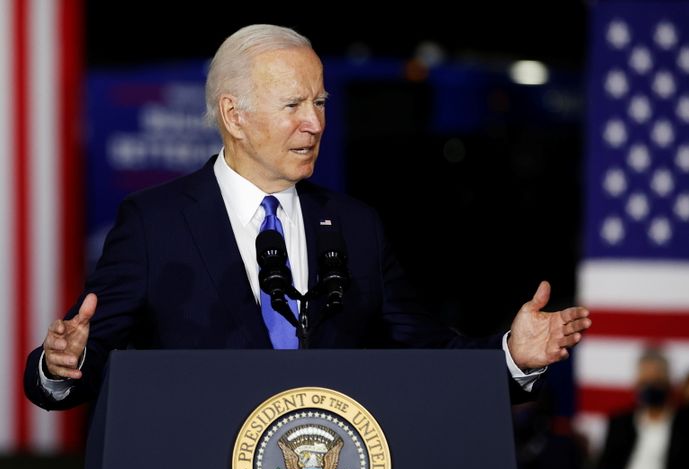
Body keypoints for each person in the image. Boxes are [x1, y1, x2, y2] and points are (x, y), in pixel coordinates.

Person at [23, 24, 591, 411]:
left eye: (319, 103)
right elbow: (77, 365)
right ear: (234, 115)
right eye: (293, 105)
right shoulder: (155, 224)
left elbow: (427, 355)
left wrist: (510, 358)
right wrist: (59, 364)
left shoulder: (354, 226)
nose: (314, 124)